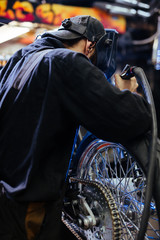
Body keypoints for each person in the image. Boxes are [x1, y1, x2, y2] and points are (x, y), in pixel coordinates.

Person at [0, 15, 152, 240]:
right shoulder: (66, 62)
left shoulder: (21, 58)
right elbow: (125, 117)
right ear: (90, 46)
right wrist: (129, 93)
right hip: (28, 205)